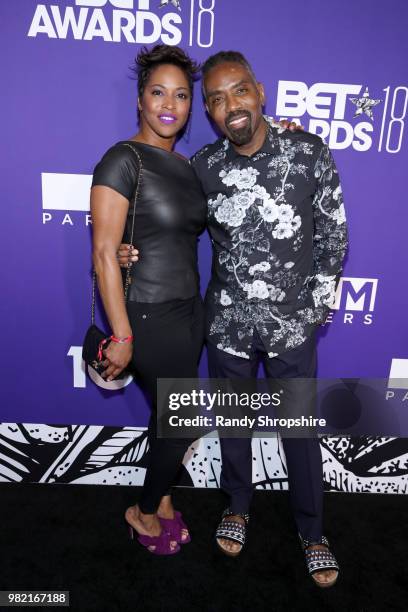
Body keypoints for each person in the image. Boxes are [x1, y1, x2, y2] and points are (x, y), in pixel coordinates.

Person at [120, 50, 347, 586]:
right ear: (211, 112)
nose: (230, 106)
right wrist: (128, 252)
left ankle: (313, 533)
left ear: (260, 92)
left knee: (298, 430)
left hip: (293, 326)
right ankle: (237, 508)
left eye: (239, 91)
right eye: (217, 100)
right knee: (236, 427)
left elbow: (334, 234)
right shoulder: (204, 167)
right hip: (227, 325)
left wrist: (312, 313)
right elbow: (167, 221)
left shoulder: (308, 150)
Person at [90, 44, 207, 555]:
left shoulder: (188, 166)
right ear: (140, 99)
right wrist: (121, 334)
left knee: (169, 422)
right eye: (158, 91)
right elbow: (102, 253)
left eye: (181, 95)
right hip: (146, 315)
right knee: (181, 421)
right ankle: (140, 510)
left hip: (188, 313)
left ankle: (160, 501)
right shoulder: (123, 158)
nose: (169, 104)